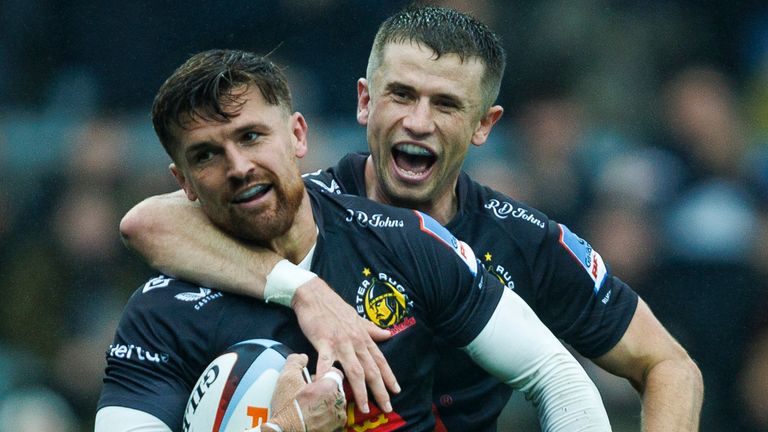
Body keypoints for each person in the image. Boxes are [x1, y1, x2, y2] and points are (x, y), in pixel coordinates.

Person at [121, 5, 703, 432]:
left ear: (484, 125)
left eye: (446, 103)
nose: (418, 122)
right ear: (364, 103)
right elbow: (151, 222)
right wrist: (306, 291)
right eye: (400, 95)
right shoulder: (293, 208)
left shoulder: (522, 241)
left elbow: (668, 364)